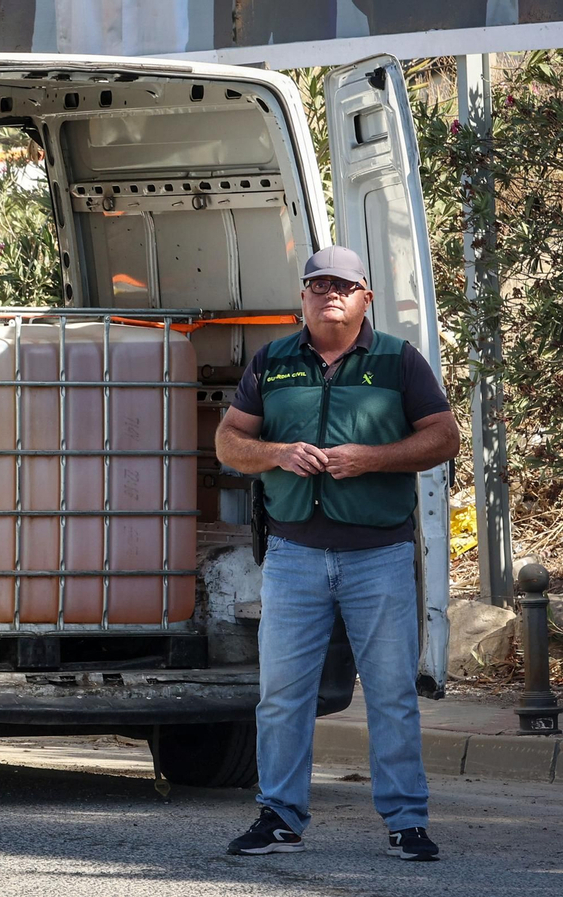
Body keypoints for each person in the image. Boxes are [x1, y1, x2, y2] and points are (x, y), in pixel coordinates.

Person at [216, 246, 460, 861]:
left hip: (379, 555)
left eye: (343, 286)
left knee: (391, 694)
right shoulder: (272, 360)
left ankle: (407, 822)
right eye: (318, 284)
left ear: (364, 298)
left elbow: (444, 437)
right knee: (282, 695)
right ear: (302, 297)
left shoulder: (398, 360)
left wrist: (371, 459)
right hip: (293, 553)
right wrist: (276, 453)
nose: (330, 294)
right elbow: (228, 440)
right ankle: (279, 818)